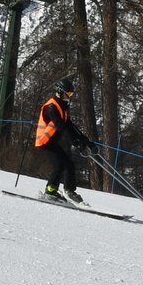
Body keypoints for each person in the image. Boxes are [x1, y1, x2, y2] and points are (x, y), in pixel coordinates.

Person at [35, 76, 90, 204]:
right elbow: (61, 127)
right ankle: (50, 192)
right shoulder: (51, 107)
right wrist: (76, 143)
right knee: (59, 164)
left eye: (71, 94)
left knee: (69, 163)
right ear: (59, 92)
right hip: (44, 142)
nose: (69, 97)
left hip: (51, 141)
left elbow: (70, 126)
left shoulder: (62, 107)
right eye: (67, 94)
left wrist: (85, 141)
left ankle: (69, 191)